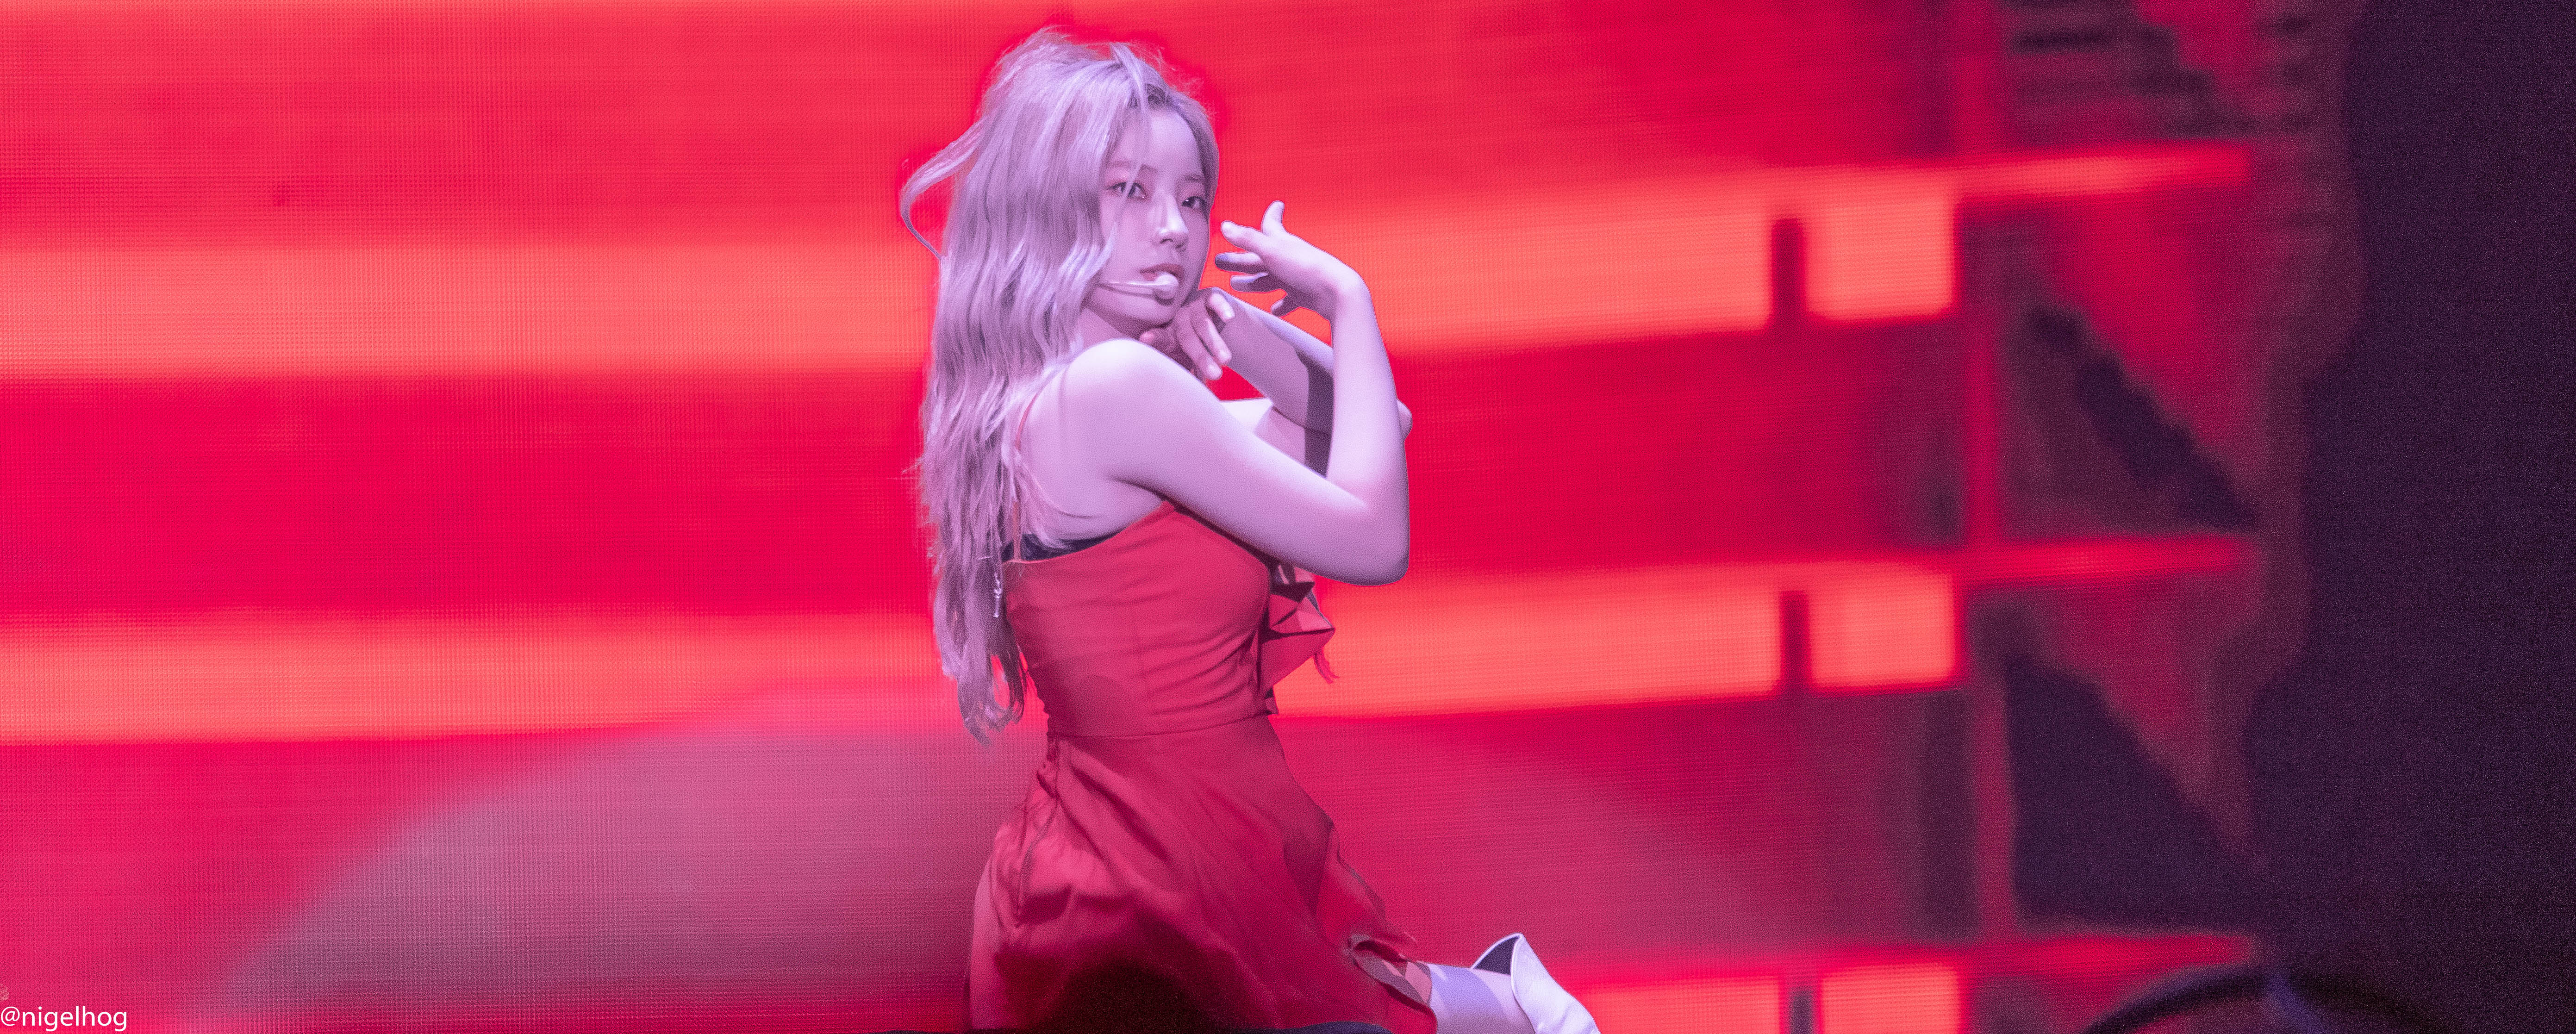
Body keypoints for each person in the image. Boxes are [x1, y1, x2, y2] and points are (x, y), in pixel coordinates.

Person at [901, 29, 1600, 1034]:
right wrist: (1346, 303)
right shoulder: (1115, 391)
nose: (1172, 228)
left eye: (1192, 200)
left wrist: (1230, 322)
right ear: (1049, 206)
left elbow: (1371, 430)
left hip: (1126, 851)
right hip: (1172, 869)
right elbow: (1372, 537)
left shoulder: (1069, 403)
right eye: (1129, 191)